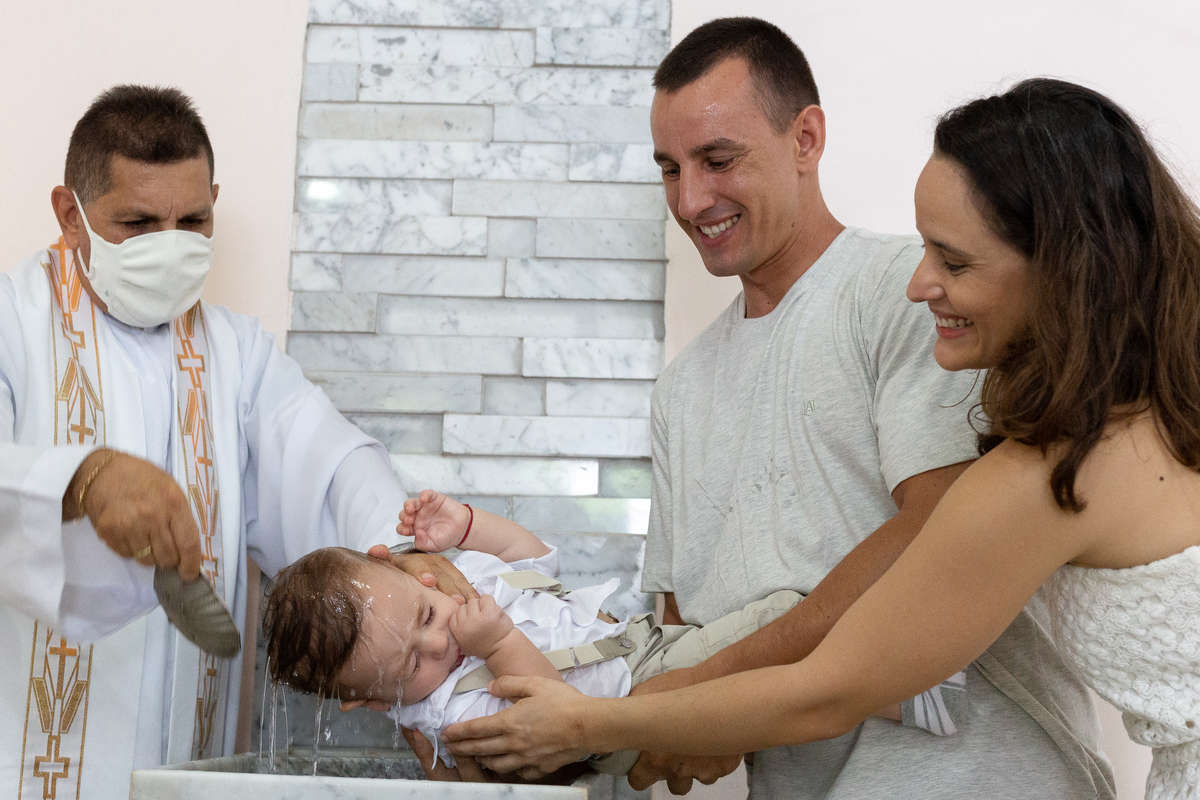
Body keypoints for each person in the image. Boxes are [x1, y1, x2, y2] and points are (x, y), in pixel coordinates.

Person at [442, 77, 1200, 798]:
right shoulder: (1142, 415)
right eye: (670, 168)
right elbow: (678, 626)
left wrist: (586, 723)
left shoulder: (1045, 477)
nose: (921, 283)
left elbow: (827, 688)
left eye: (955, 261)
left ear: (1067, 271)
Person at [0, 85, 468, 800]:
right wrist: (80, 479)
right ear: (70, 214)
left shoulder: (235, 355)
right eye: (137, 223)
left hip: (190, 769)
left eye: (192, 220)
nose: (170, 244)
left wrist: (414, 576)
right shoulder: (11, 323)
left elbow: (332, 465)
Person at [264, 490, 967, 778]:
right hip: (639, 703)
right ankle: (907, 691)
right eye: (407, 667)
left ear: (408, 571)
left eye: (423, 620)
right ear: (369, 700)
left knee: (784, 613)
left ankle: (902, 659)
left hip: (640, 648)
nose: (437, 645)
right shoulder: (452, 714)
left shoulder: (451, 588)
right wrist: (496, 643)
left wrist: (471, 527)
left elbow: (536, 562)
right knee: (775, 632)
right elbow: (553, 720)